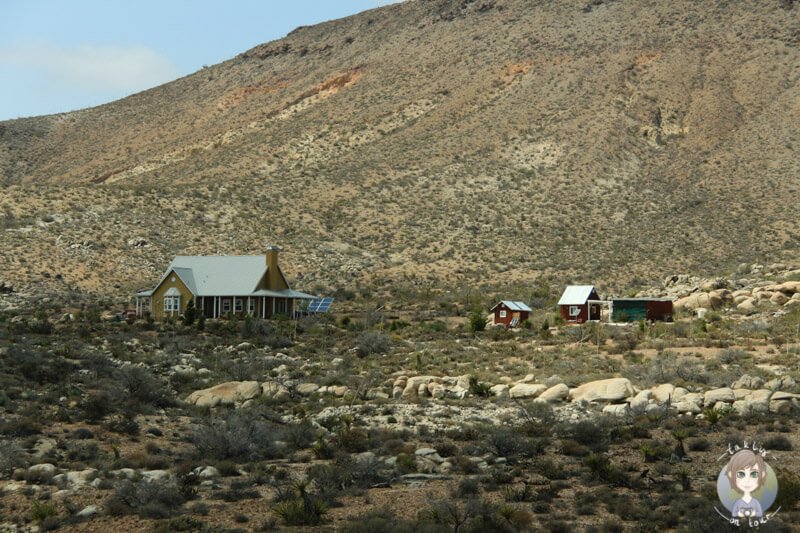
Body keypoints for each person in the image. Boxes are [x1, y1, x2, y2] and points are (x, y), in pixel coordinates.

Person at [725, 449, 767, 518]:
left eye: (754, 474)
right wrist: (739, 514)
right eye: (741, 474)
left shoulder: (755, 502)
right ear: (731, 475)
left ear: (762, 475)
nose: (747, 480)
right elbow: (734, 514)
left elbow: (760, 513)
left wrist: (753, 513)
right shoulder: (738, 503)